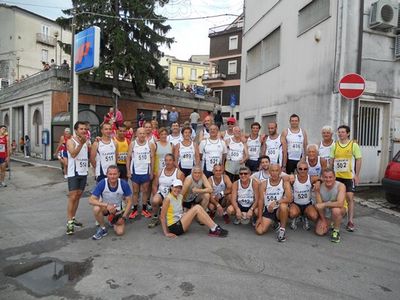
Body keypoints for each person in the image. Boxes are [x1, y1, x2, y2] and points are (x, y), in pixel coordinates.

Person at [160, 179, 228, 238]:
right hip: (174, 227)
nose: (177, 189)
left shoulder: (180, 196)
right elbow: (162, 217)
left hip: (180, 221)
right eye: (175, 187)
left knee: (198, 209)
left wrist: (184, 214)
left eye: (179, 188)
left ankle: (214, 227)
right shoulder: (167, 199)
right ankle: (214, 228)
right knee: (197, 208)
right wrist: (166, 233)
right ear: (171, 187)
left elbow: (179, 210)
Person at [330, 125, 362, 232]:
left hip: (349, 177)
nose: (340, 134)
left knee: (349, 197)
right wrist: (330, 175)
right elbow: (331, 160)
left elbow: (358, 160)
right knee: (336, 198)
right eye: (339, 132)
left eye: (343, 132)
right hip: (337, 177)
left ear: (348, 133)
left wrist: (357, 175)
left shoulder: (354, 145)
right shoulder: (335, 145)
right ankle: (334, 219)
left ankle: (350, 221)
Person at [89, 165, 133, 240]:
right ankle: (102, 228)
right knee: (96, 208)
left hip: (118, 210)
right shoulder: (102, 183)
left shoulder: (123, 184)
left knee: (120, 232)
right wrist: (107, 205)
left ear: (118, 174)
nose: (112, 176)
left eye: (115, 174)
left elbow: (129, 202)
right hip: (105, 208)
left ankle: (112, 220)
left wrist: (124, 217)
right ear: (107, 174)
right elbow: (91, 200)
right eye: (110, 174)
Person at [256, 164, 292, 242]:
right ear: (269, 172)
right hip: (268, 210)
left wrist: (276, 202)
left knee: (283, 206)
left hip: (279, 210)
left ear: (280, 172)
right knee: (259, 231)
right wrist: (259, 217)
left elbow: (289, 198)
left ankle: (282, 230)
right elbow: (260, 201)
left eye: (276, 171)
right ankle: (274, 223)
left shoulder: (284, 183)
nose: (274, 173)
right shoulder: (264, 184)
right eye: (272, 170)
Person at [126, 127, 156, 219]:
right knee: (135, 191)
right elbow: (128, 158)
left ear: (146, 134)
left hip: (145, 171)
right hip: (135, 171)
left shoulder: (150, 144)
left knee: (145, 191)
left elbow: (152, 158)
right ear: (136, 134)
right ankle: (135, 209)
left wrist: (151, 171)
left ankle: (144, 209)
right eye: (140, 133)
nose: (142, 135)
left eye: (144, 133)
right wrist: (128, 170)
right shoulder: (132, 144)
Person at [66, 121, 89, 235]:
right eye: (81, 129)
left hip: (83, 172)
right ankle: (69, 222)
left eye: (85, 129)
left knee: (78, 196)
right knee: (72, 197)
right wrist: (81, 144)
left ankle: (73, 218)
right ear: (76, 130)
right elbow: (73, 154)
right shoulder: (71, 141)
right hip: (73, 173)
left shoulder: (86, 141)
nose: (84, 131)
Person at [149, 154, 185, 228]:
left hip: (173, 195)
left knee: (170, 219)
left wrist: (176, 200)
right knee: (155, 200)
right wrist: (156, 196)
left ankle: (176, 216)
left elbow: (181, 189)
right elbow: (155, 185)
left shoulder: (179, 173)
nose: (168, 162)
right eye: (166, 160)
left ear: (174, 162)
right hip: (162, 193)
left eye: (170, 160)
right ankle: (155, 217)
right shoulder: (160, 171)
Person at [314, 168, 347, 243]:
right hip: (327, 212)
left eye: (330, 177)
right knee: (319, 232)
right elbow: (319, 206)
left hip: (339, 209)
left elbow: (340, 203)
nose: (328, 179)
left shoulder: (341, 186)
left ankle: (336, 230)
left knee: (336, 210)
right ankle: (331, 222)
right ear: (322, 178)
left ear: (334, 177)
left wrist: (324, 204)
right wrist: (323, 220)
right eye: (326, 177)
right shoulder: (318, 187)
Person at [289, 161, 319, 231]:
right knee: (292, 214)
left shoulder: (311, 178)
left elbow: (321, 178)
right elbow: (281, 177)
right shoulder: (293, 178)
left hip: (307, 204)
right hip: (296, 204)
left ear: (308, 169)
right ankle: (297, 216)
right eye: (300, 169)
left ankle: (305, 216)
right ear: (297, 169)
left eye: (305, 169)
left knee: (314, 216)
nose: (303, 171)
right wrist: (290, 175)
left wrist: (319, 182)